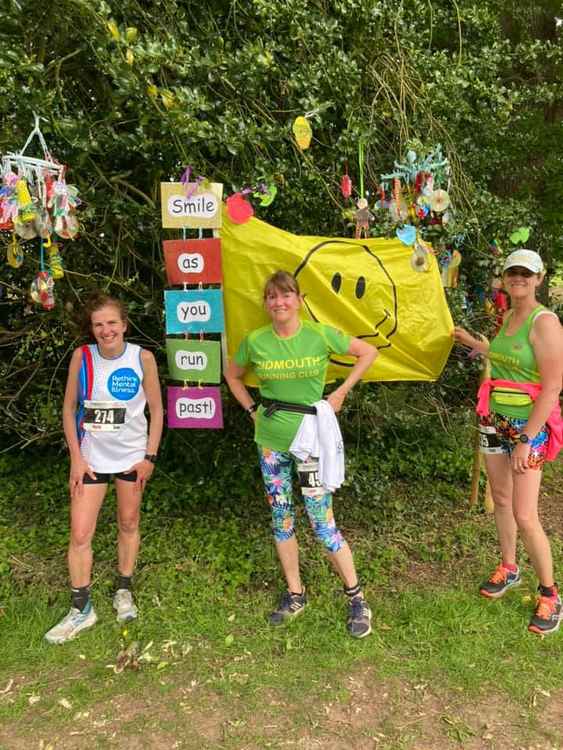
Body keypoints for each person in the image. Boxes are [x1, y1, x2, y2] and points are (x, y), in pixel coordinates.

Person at [225, 270, 377, 638]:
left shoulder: (319, 334)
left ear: (299, 299)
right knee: (281, 518)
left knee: (322, 522)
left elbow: (367, 352)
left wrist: (340, 392)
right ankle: (296, 593)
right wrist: (250, 410)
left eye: (286, 295)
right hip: (271, 443)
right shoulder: (255, 340)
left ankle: (356, 598)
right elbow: (232, 375)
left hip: (311, 443)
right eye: (272, 297)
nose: (279, 302)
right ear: (265, 303)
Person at [454, 249, 563, 635]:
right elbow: (504, 357)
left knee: (525, 514)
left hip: (525, 427)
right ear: (504, 277)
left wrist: (526, 439)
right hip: (494, 420)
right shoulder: (508, 316)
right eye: (512, 272)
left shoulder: (544, 321)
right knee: (499, 498)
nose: (518, 278)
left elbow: (552, 387)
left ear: (538, 278)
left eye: (526, 273)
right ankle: (509, 567)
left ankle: (550, 593)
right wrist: (473, 342)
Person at [45, 293, 163, 644]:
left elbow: (157, 410)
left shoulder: (142, 358)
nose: (106, 330)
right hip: (92, 460)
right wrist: (76, 459)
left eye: (112, 323)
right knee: (80, 534)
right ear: (92, 329)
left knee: (129, 523)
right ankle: (81, 608)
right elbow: (68, 410)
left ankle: (123, 589)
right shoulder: (83, 357)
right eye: (99, 324)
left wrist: (150, 457)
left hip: (131, 459)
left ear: (124, 325)